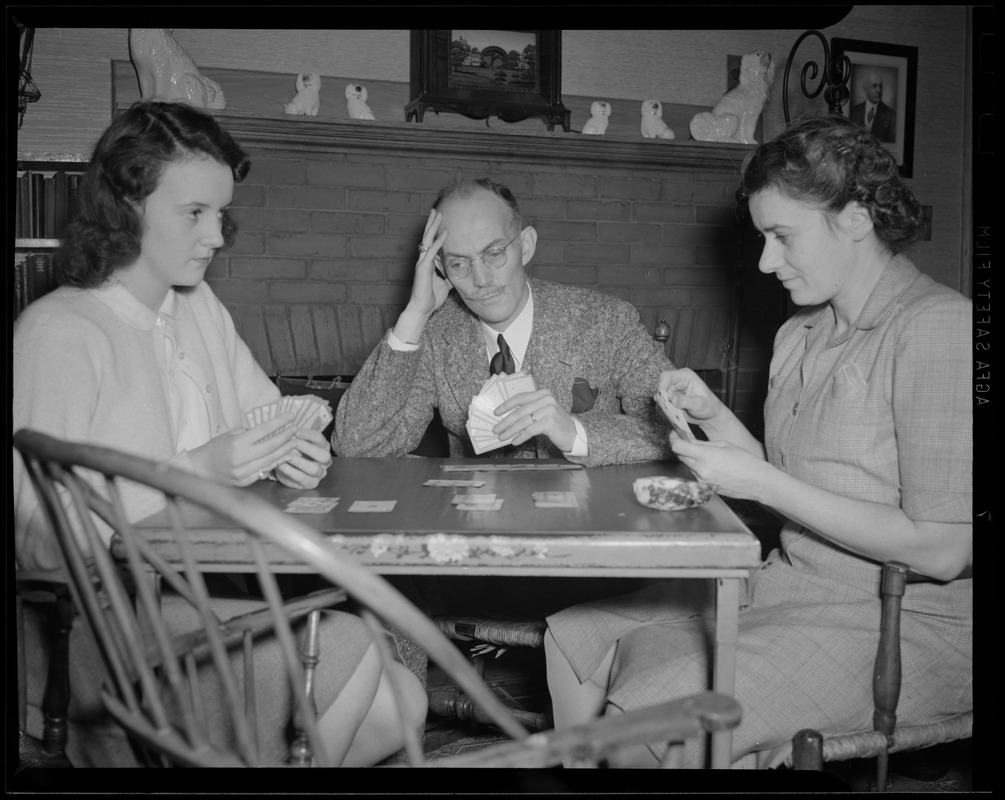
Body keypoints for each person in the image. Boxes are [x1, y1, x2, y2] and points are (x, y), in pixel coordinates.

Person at [544, 114, 972, 769]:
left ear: (855, 219)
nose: (766, 262)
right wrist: (711, 415)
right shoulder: (802, 332)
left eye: (781, 236)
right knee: (574, 636)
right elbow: (787, 478)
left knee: (646, 719)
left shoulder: (937, 328)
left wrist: (762, 484)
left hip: (902, 621)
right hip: (792, 585)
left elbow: (942, 548)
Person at [12, 100, 426, 767]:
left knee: (403, 698)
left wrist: (293, 446)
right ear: (127, 205)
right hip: (102, 628)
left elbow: (262, 411)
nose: (216, 236)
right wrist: (201, 469)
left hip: (202, 593)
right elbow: (35, 538)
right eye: (194, 214)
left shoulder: (197, 306)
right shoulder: (59, 332)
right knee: (347, 645)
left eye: (221, 215)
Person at [331, 177, 675, 467]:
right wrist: (415, 314)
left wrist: (576, 433)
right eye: (459, 264)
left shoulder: (606, 321)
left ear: (525, 246)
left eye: (494, 253)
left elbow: (677, 431)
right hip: (477, 525)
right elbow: (356, 446)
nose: (480, 279)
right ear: (440, 269)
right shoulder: (436, 333)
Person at [849, 70, 897, 143]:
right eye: (874, 86)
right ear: (865, 89)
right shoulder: (854, 112)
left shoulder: (891, 115)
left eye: (880, 86)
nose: (879, 90)